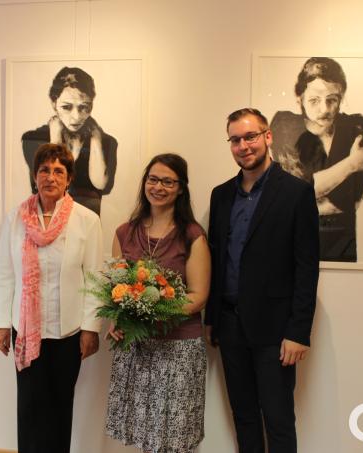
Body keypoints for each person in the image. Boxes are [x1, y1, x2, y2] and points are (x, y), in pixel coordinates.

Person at [205, 108, 319, 453]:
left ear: (267, 136)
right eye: (235, 140)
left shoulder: (296, 193)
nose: (243, 146)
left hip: (276, 330)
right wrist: (213, 319)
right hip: (230, 324)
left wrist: (298, 332)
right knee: (244, 417)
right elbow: (216, 258)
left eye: (250, 136)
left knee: (278, 419)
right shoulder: (221, 195)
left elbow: (306, 267)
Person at [0, 143, 102, 453]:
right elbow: (4, 274)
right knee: (29, 408)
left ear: (69, 179)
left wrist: (91, 328)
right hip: (26, 332)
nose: (50, 177)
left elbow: (95, 278)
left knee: (59, 406)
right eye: (44, 170)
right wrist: (0, 324)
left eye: (58, 171)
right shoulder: (16, 219)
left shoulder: (86, 220)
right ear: (34, 175)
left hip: (68, 332)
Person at [105, 153, 211, 453]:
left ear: (181, 188)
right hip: (137, 348)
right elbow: (115, 289)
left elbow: (198, 295)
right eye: (153, 179)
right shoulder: (124, 232)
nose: (158, 187)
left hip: (179, 349)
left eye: (168, 181)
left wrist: (152, 312)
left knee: (174, 436)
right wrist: (118, 320)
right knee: (144, 432)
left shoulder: (192, 235)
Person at [269, 57, 363, 262]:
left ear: (341, 98)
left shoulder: (355, 128)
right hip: (293, 240)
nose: (325, 109)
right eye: (314, 100)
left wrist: (319, 191)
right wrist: (352, 164)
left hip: (342, 241)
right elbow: (297, 194)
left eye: (332, 100)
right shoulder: (284, 126)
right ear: (299, 99)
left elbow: (352, 199)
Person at [22, 66, 118, 215]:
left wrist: (96, 138)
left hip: (87, 223)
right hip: (48, 219)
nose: (76, 117)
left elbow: (101, 185)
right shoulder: (33, 139)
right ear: (54, 103)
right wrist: (55, 138)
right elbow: (49, 183)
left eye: (84, 107)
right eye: (66, 107)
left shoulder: (107, 141)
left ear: (92, 105)